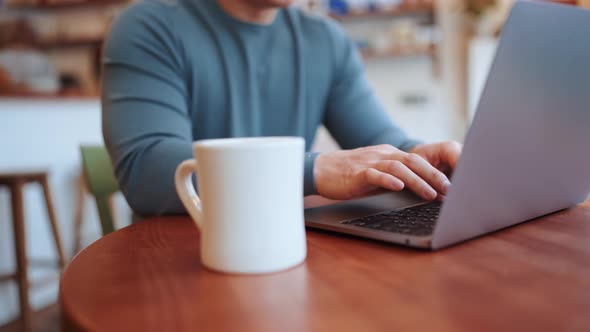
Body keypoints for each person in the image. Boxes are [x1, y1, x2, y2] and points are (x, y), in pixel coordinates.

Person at [102, 0, 462, 217]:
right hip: (181, 255)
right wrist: (315, 169)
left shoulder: (326, 41)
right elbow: (146, 170)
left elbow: (380, 139)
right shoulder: (149, 27)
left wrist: (418, 158)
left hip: (287, 245)